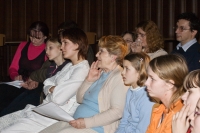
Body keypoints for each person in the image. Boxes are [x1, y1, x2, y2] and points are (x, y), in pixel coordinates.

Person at [0, 28, 90, 132]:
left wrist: (51, 89)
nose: (62, 47)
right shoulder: (69, 66)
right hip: (43, 111)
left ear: (77, 45)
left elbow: (58, 99)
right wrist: (51, 88)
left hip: (54, 116)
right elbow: (47, 82)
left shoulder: (82, 70)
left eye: (65, 43)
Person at [39, 35, 129, 133]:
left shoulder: (119, 77)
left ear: (113, 57)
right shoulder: (101, 73)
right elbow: (79, 99)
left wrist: (86, 122)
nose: (96, 55)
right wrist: (88, 80)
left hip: (95, 129)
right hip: (76, 122)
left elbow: (117, 112)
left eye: (101, 52)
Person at [0, 21, 49, 112]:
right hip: (19, 83)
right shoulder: (23, 45)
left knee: (17, 103)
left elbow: (48, 72)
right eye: (31, 36)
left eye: (37, 38)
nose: (33, 40)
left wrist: (37, 81)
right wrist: (15, 75)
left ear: (45, 37)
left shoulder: (48, 49)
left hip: (35, 86)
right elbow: (13, 67)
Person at [145, 54, 188, 133]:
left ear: (169, 85)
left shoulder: (178, 114)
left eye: (152, 79)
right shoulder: (160, 109)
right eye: (147, 77)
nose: (146, 83)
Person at [115, 53, 155, 133]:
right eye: (123, 68)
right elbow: (124, 120)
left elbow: (143, 129)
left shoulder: (147, 98)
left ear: (140, 71)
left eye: (127, 68)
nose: (122, 72)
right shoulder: (130, 91)